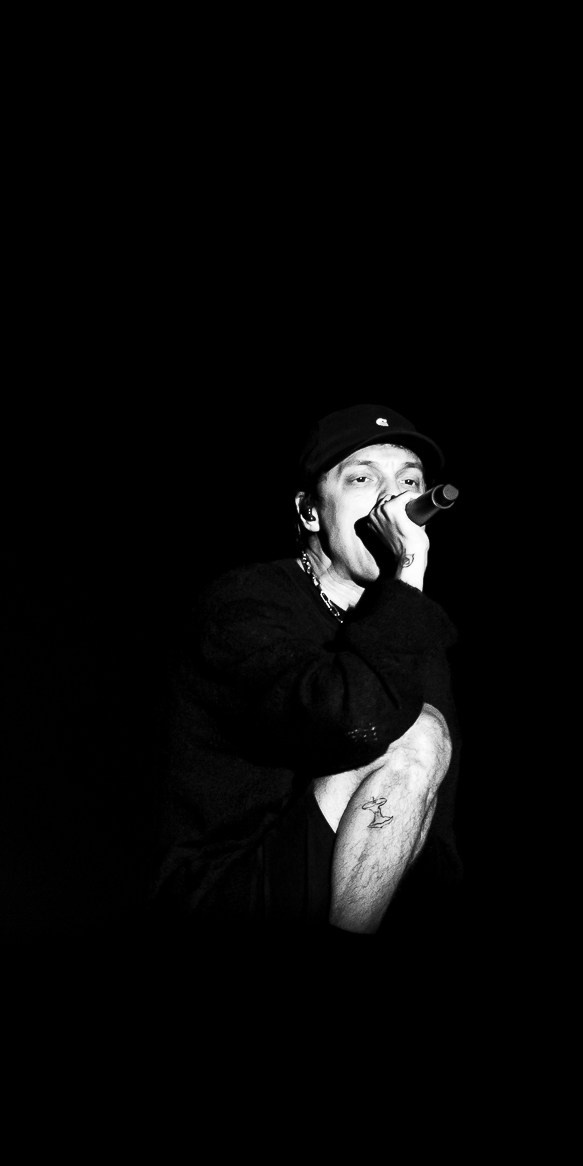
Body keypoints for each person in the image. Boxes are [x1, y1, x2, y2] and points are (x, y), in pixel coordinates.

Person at [149, 401, 461, 947]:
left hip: (353, 894)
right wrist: (409, 570)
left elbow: (429, 825)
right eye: (363, 478)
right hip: (232, 896)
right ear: (310, 512)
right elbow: (355, 722)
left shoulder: (410, 630)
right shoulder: (244, 606)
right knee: (417, 732)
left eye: (409, 482)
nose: (393, 500)